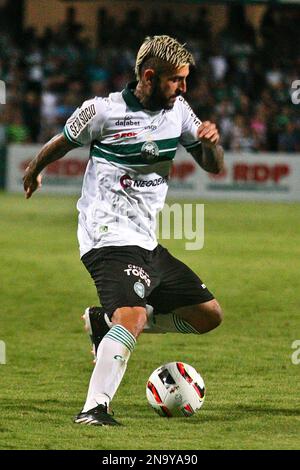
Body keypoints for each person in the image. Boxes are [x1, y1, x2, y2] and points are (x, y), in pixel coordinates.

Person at [23, 35, 224, 426]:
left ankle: (106, 324)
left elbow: (212, 165)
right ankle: (94, 407)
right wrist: (33, 170)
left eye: (185, 80)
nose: (183, 88)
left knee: (208, 316)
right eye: (176, 80)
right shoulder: (102, 111)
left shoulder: (180, 110)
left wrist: (210, 143)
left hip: (147, 241)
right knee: (132, 314)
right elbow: (62, 142)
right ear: (149, 76)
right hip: (107, 236)